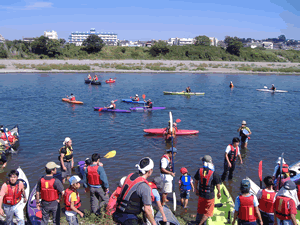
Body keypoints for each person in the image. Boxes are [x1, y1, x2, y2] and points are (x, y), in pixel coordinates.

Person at [113, 157, 156, 225]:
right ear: (150, 171)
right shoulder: (144, 186)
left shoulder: (130, 176)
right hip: (128, 218)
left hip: (117, 212)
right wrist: (154, 223)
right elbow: (147, 210)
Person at [194, 155, 221, 225]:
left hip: (201, 194)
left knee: (200, 209)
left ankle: (197, 221)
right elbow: (218, 184)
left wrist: (196, 189)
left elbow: (196, 181)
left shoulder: (199, 171)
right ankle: (200, 224)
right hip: (209, 196)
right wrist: (219, 192)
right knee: (208, 212)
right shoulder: (214, 173)